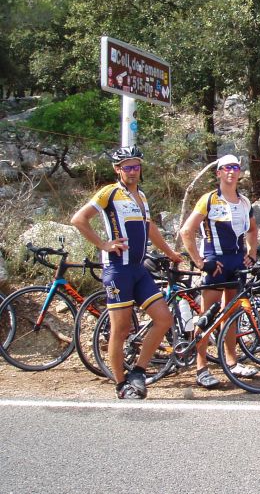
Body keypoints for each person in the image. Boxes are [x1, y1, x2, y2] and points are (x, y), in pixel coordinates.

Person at [71, 145, 183, 399]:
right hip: (117, 269)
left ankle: (139, 371)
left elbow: (150, 228)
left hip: (138, 268)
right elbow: (79, 219)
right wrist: (103, 244)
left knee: (163, 319)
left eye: (136, 166)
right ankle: (121, 385)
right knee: (120, 330)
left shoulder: (141, 197)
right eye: (127, 167)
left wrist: (170, 252)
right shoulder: (109, 193)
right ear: (117, 169)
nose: (133, 171)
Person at [179, 154, 260, 389]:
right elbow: (187, 231)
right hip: (216, 264)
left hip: (236, 263)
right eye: (226, 168)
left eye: (235, 168)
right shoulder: (209, 200)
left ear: (240, 171)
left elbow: (253, 230)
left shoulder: (245, 202)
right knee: (207, 316)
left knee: (231, 314)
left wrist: (252, 253)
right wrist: (200, 262)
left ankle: (232, 362)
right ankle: (201, 367)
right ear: (218, 173)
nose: (231, 172)